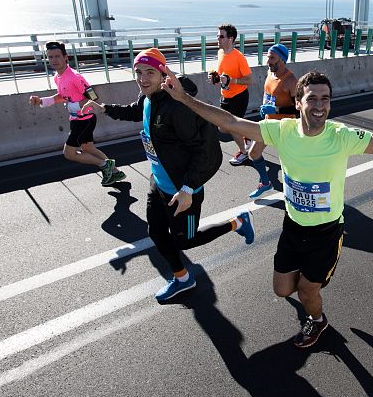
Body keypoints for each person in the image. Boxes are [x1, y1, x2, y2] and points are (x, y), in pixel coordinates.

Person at [160, 67, 373, 348]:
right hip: (293, 227)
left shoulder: (341, 136)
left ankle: (317, 320)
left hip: (326, 232)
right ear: (299, 102)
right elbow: (230, 121)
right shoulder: (282, 130)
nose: (320, 106)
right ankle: (311, 290)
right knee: (281, 289)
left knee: (306, 292)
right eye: (312, 98)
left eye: (326, 99)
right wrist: (183, 98)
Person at [84, 48, 255, 301]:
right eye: (138, 72)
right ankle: (183, 278)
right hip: (159, 182)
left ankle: (238, 222)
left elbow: (202, 151)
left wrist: (187, 189)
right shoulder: (149, 97)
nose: (142, 79)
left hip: (184, 190)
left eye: (150, 72)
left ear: (163, 73)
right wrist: (105, 108)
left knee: (186, 240)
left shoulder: (177, 107)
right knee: (156, 232)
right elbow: (135, 110)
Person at [28, 41, 125, 186]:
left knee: (69, 153)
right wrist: (41, 101)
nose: (54, 60)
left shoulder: (75, 77)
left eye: (57, 56)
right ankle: (116, 173)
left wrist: (74, 105)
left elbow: (93, 96)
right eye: (50, 57)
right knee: (88, 148)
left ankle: (104, 165)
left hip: (85, 120)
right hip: (76, 119)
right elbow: (63, 96)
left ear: (65, 57)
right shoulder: (57, 77)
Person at [248, 44, 298, 198]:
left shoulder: (291, 80)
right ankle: (265, 183)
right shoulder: (270, 72)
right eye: (268, 57)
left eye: (272, 58)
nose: (268, 61)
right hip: (269, 124)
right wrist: (265, 108)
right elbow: (269, 94)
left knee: (289, 164)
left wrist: (276, 110)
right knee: (253, 153)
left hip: (285, 127)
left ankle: (296, 191)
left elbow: (298, 109)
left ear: (282, 60)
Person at [211, 23, 253, 166]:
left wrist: (231, 80)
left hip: (239, 97)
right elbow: (222, 74)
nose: (218, 39)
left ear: (230, 39)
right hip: (226, 96)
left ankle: (244, 153)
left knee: (232, 126)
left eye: (221, 37)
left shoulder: (239, 57)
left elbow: (249, 80)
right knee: (222, 127)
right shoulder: (220, 53)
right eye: (217, 36)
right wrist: (216, 78)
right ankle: (247, 135)